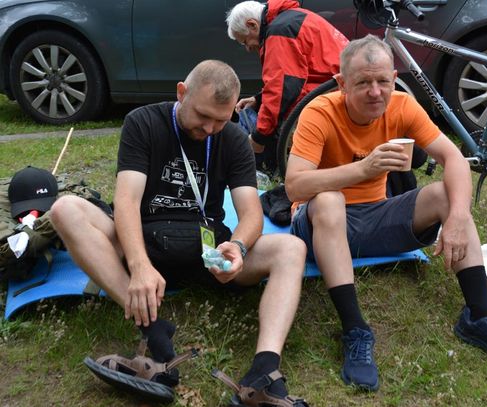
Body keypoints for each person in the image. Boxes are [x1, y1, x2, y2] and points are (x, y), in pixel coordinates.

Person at [50, 60, 308, 406]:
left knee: (292, 248)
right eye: (203, 115)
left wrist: (238, 247)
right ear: (181, 93)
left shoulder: (232, 138)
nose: (210, 128)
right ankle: (156, 335)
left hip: (211, 254)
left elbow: (250, 214)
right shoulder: (143, 122)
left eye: (221, 119)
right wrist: (139, 265)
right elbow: (126, 201)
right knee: (64, 210)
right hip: (144, 243)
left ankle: (264, 372)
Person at [284, 35, 487, 392]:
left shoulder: (402, 106)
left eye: (382, 81)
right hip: (320, 227)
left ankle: (480, 316)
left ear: (393, 78)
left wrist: (458, 217)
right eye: (363, 83)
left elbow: (453, 159)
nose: (375, 92)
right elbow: (295, 186)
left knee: (447, 194)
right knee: (329, 201)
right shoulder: (320, 112)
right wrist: (364, 169)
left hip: (377, 216)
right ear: (342, 84)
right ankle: (355, 330)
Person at [225, 0, 349, 171]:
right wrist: (259, 99)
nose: (248, 48)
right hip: (337, 90)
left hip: (332, 96)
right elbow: (291, 79)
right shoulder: (293, 18)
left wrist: (259, 138)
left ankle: (277, 173)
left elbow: (282, 91)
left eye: (245, 41)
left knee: (263, 124)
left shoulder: (280, 31)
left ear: (252, 24)